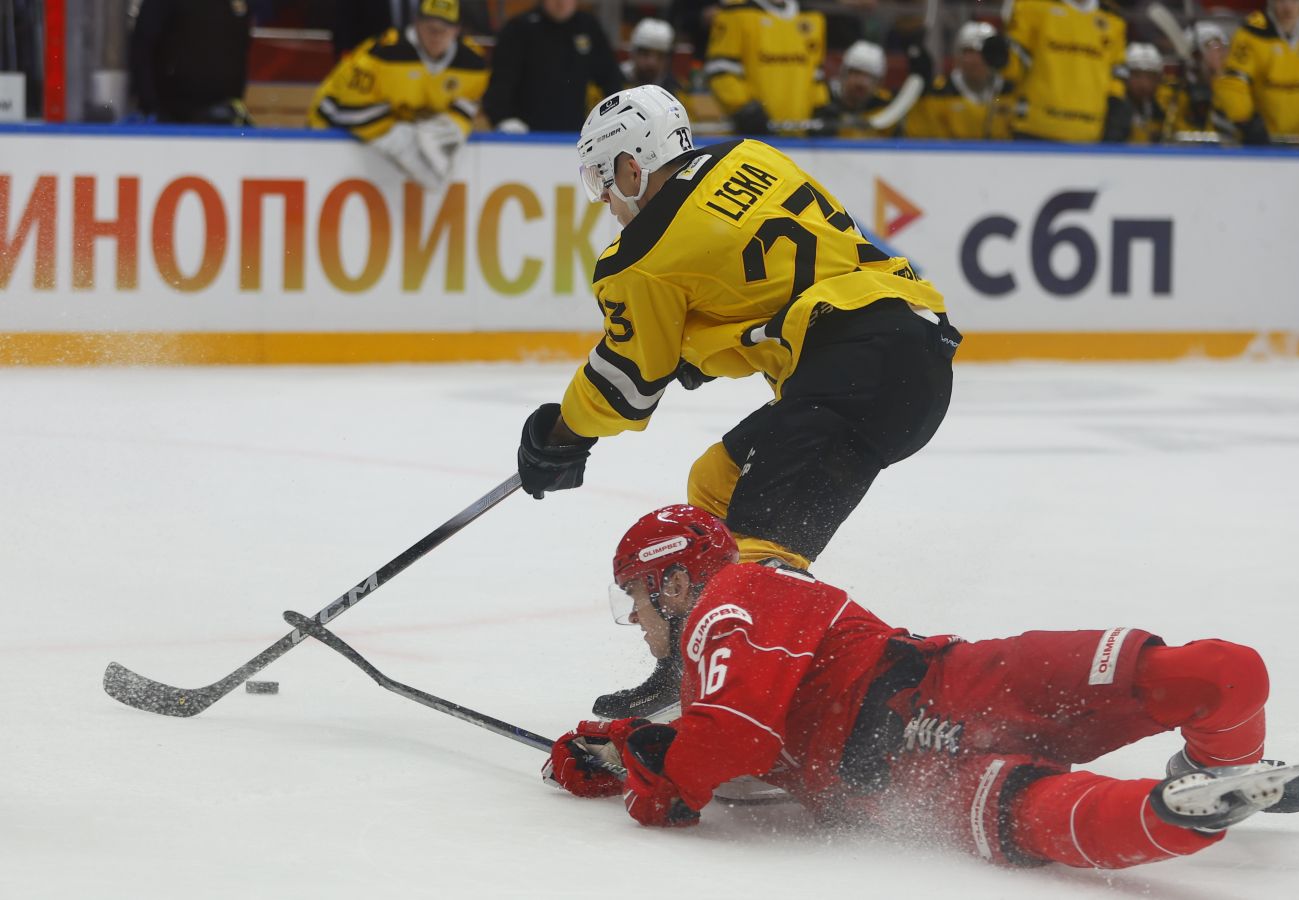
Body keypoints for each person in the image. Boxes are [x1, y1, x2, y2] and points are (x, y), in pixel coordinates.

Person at [515, 85, 960, 719]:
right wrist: (699, 350)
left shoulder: (640, 257)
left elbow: (627, 388)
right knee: (717, 485)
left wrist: (560, 435)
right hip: (906, 351)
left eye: (602, 182)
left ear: (632, 168)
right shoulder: (753, 157)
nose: (606, 202)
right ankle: (692, 667)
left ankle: (832, 707)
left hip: (856, 369)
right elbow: (776, 294)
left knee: (757, 564)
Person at [542, 505, 1299, 869]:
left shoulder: (734, 597)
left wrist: (639, 771)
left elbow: (729, 746)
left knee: (1213, 681)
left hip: (936, 709)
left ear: (676, 581)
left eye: (635, 596)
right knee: (1049, 806)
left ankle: (1198, 790)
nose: (636, 620)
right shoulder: (721, 651)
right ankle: (1188, 804)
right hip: (920, 745)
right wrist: (621, 755)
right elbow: (724, 749)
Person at [309, 0, 489, 190]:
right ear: (417, 23)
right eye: (430, 28)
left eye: (444, 30)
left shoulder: (473, 63)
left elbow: (468, 102)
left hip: (396, 129)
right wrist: (398, 140)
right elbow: (342, 108)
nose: (436, 36)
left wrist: (449, 126)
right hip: (333, 129)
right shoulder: (382, 53)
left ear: (457, 30)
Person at [981, 0, 1129, 142]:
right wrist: (1002, 58)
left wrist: (1115, 111)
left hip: (1089, 133)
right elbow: (1014, 67)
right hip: (1035, 129)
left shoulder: (1113, 19)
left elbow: (1116, 77)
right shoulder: (1033, 6)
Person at [1213, 0, 1299, 145]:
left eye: (1295, 2)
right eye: (1282, 1)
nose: (1288, 8)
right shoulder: (1251, 32)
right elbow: (1234, 82)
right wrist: (1244, 119)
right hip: (1254, 138)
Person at [481, 0, 625, 133]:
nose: (561, 2)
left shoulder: (588, 27)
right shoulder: (519, 28)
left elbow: (610, 78)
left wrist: (618, 116)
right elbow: (501, 81)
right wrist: (503, 118)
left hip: (574, 136)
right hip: (526, 136)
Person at [704, 0, 829, 135]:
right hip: (751, 136)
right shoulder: (736, 13)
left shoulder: (813, 16)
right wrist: (743, 108)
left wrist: (820, 105)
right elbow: (720, 70)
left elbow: (816, 73)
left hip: (800, 134)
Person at [128, 0, 254, 125]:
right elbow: (142, 48)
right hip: (173, 113)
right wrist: (151, 106)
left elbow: (240, 47)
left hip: (226, 110)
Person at [905, 21, 1014, 141]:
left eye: (983, 52)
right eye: (969, 52)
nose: (975, 60)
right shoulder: (937, 93)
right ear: (958, 56)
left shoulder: (1012, 92)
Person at [814, 41, 899, 139]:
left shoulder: (886, 108)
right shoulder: (823, 100)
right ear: (843, 74)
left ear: (879, 82)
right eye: (856, 73)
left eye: (869, 77)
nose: (861, 82)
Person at [622, 18, 684, 96]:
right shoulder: (615, 81)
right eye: (645, 53)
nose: (652, 63)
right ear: (633, 53)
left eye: (660, 56)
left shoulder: (675, 90)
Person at [1123, 43, 1168, 144]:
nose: (1144, 84)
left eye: (1150, 77)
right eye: (1137, 75)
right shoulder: (1114, 110)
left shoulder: (1161, 110)